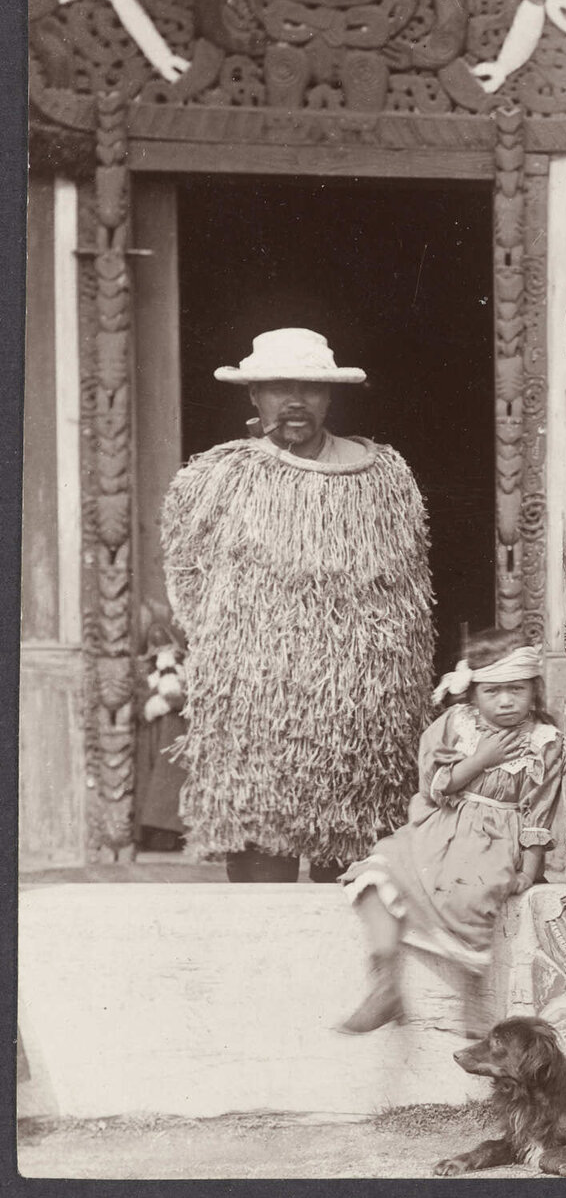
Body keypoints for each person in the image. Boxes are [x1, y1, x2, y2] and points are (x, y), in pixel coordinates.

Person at [162, 328, 434, 883]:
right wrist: (243, 649)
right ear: (253, 396)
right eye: (277, 388)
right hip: (258, 721)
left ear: (329, 396)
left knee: (354, 884)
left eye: (308, 388)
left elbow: (411, 591)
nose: (293, 402)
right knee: (263, 875)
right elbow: (185, 573)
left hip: (363, 730)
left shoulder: (383, 476)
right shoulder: (219, 478)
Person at [336, 628, 564, 1033]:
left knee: (474, 892)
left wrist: (530, 869)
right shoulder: (457, 724)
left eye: (517, 689)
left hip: (495, 838)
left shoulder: (543, 741)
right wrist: (480, 758)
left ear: (534, 689)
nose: (506, 700)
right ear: (473, 693)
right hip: (438, 826)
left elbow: (538, 813)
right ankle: (384, 986)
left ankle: (473, 995)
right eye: (493, 691)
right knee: (376, 872)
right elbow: (434, 785)